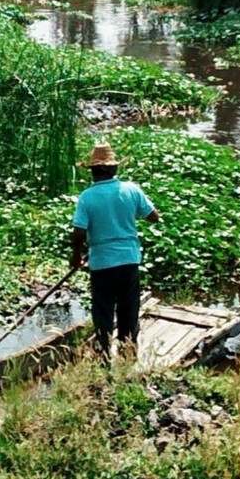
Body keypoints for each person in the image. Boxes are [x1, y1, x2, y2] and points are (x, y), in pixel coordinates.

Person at [70, 142, 159, 358]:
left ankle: (103, 355)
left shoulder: (87, 197)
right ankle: (128, 352)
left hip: (101, 263)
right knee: (129, 308)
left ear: (93, 171)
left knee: (103, 310)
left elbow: (79, 232)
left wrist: (76, 256)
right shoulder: (131, 190)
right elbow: (153, 217)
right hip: (129, 259)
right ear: (113, 170)